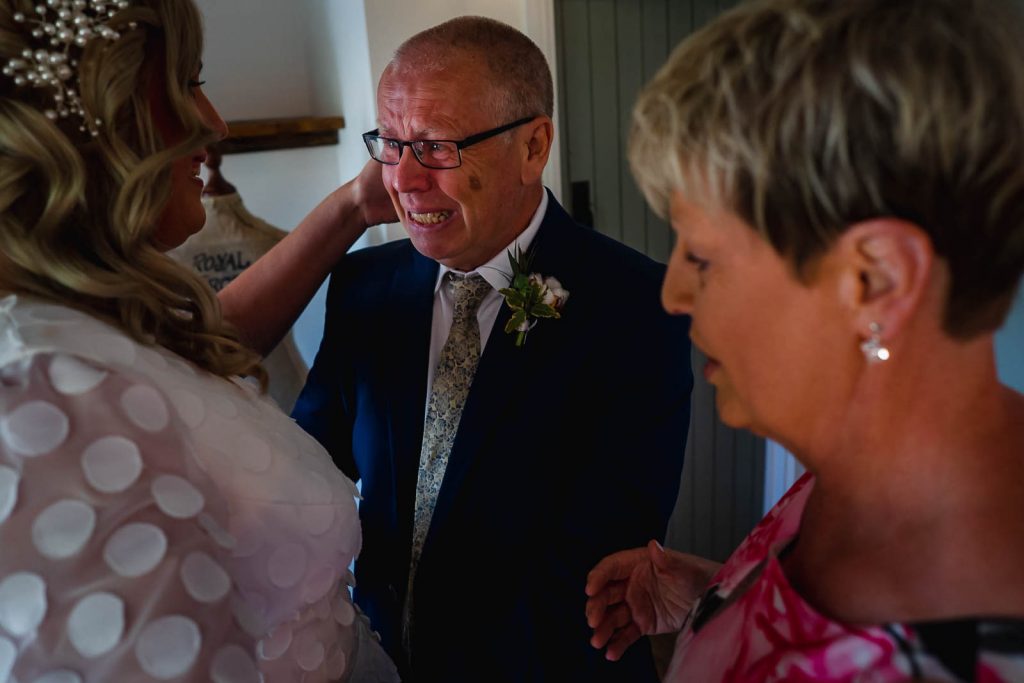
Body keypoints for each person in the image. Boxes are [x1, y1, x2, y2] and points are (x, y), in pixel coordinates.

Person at [584, 0, 1024, 680]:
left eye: (700, 256)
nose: (671, 293)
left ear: (874, 278)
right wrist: (720, 601)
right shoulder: (876, 465)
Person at [0, 0, 400, 680]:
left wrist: (354, 207)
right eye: (189, 81)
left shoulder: (89, 316)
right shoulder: (49, 391)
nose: (214, 121)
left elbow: (198, 349)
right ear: (107, 121)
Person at [292, 16, 693, 683]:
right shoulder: (368, 285)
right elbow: (310, 466)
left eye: (436, 147)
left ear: (534, 146)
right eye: (390, 145)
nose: (405, 181)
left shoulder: (632, 303)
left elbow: (595, 557)